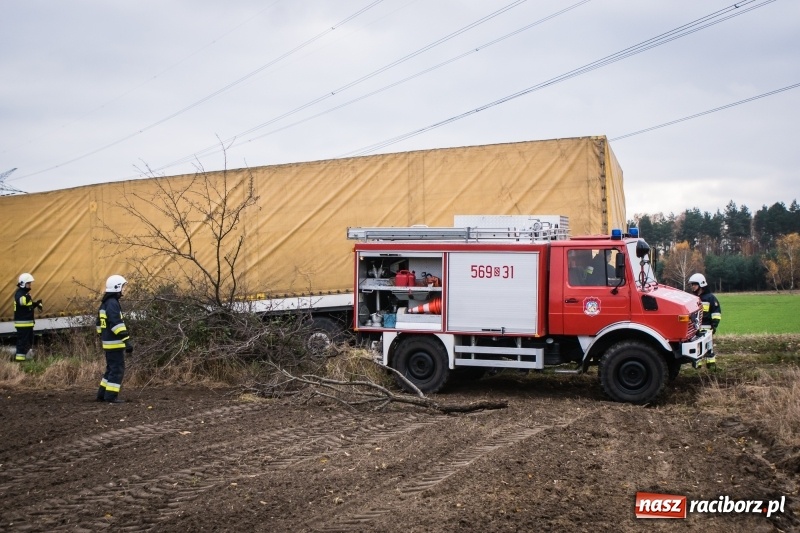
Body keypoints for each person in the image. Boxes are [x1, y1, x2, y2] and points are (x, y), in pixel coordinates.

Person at [96, 275, 133, 403]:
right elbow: (116, 324)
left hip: (108, 343)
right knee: (117, 369)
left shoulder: (105, 303)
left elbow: (98, 325)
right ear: (117, 287)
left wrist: (104, 337)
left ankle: (102, 394)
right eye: (123, 287)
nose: (124, 289)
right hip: (115, 344)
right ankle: (111, 396)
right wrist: (127, 341)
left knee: (111, 369)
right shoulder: (112, 303)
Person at [689, 273, 722, 371]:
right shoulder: (693, 298)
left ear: (701, 285)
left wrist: (714, 325)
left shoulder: (710, 298)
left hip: (707, 328)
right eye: (692, 285)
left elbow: (716, 313)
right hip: (695, 328)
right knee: (696, 348)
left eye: (694, 284)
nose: (693, 287)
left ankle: (711, 366)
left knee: (709, 347)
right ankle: (697, 367)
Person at [13, 273, 42, 362]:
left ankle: (24, 359)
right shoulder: (20, 293)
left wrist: (36, 304)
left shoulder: (25, 293)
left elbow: (27, 307)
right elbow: (21, 302)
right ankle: (20, 361)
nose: (30, 285)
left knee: (28, 342)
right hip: (23, 324)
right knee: (22, 343)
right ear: (23, 283)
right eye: (28, 283)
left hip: (27, 324)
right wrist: (28, 296)